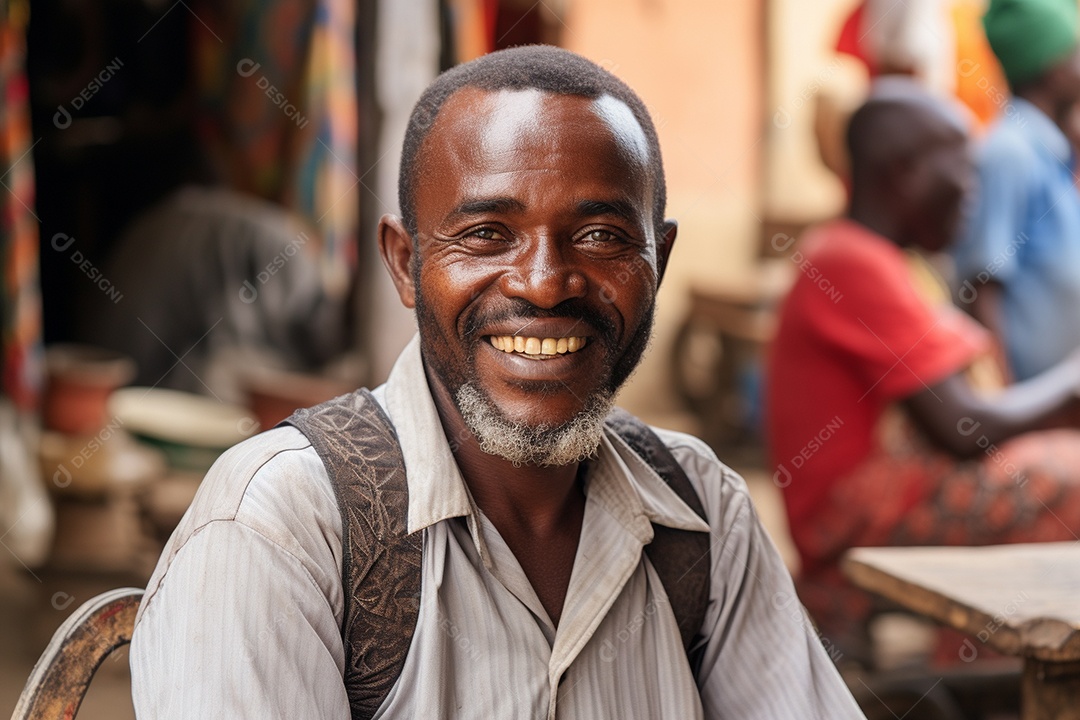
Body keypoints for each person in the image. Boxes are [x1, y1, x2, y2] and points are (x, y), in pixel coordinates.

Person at [129, 47, 864, 718]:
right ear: (403, 263)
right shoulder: (284, 527)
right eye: (486, 234)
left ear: (658, 263)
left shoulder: (703, 517)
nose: (544, 284)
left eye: (602, 236)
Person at [767, 78, 1080, 659]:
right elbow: (963, 427)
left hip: (884, 489)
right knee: (1066, 476)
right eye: (963, 173)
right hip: (850, 516)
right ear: (905, 172)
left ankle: (984, 655)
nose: (972, 195)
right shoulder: (852, 261)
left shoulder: (879, 260)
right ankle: (990, 667)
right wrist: (1069, 390)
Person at [951, 0, 1080, 381]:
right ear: (1055, 70)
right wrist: (1002, 397)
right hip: (1025, 407)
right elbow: (982, 285)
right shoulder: (1009, 153)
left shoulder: (1049, 149)